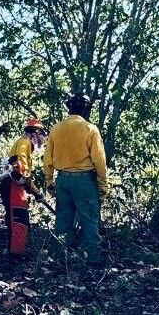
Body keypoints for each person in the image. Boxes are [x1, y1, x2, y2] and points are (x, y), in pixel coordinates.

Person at [43, 95, 108, 266]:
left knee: (63, 220)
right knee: (89, 220)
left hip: (63, 180)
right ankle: (93, 259)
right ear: (86, 109)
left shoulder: (56, 129)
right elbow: (99, 160)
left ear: (69, 108)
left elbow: (47, 158)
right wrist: (103, 183)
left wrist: (49, 180)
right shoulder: (90, 129)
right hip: (85, 182)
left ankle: (59, 259)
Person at [0, 118, 46, 258]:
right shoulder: (25, 142)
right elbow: (22, 168)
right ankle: (16, 255)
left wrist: (35, 191)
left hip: (13, 184)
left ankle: (13, 251)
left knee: (14, 218)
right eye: (41, 136)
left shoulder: (22, 143)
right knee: (19, 219)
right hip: (13, 186)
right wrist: (34, 190)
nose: (42, 141)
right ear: (36, 133)